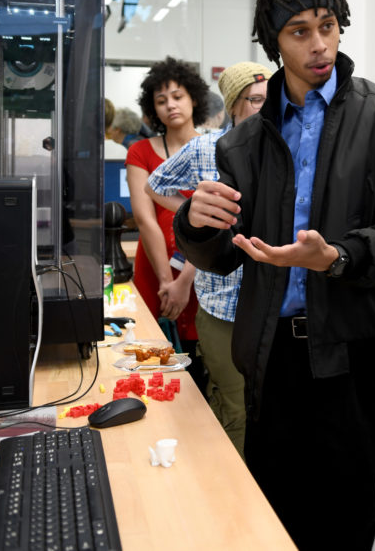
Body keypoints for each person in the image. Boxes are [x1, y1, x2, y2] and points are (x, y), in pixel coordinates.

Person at [173, 0, 375, 550]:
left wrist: (337, 257)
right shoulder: (242, 141)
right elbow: (223, 256)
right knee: (276, 518)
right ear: (273, 43)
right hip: (272, 358)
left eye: (327, 26)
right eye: (299, 31)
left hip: (356, 354)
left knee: (352, 520)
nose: (319, 44)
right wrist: (193, 224)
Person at [145, 61, 274, 458]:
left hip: (271, 306)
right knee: (236, 408)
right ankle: (232, 498)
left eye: (271, 100)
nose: (264, 108)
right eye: (255, 100)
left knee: (264, 411)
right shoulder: (207, 147)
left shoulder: (281, 151)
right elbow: (155, 185)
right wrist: (194, 218)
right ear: (234, 105)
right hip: (222, 307)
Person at [126, 57, 210, 369]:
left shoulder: (216, 148)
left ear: (194, 99)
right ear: (153, 108)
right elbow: (145, 219)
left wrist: (184, 281)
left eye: (177, 97)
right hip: (154, 268)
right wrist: (166, 281)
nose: (170, 106)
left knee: (202, 359)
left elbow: (219, 226)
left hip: (203, 269)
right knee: (153, 360)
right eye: (161, 101)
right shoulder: (140, 151)